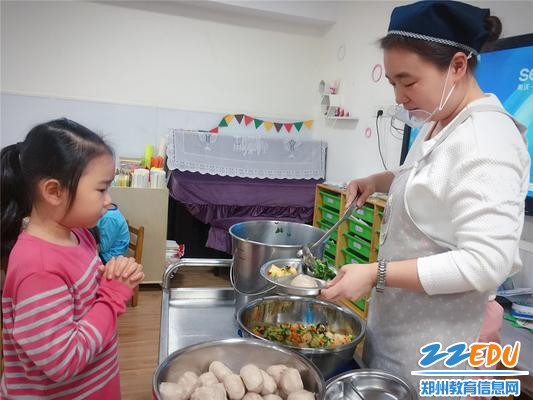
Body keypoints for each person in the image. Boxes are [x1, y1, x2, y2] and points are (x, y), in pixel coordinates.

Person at [321, 0, 530, 392]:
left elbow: (486, 263)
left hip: (438, 353)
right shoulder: (440, 122)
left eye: (409, 81)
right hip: (398, 338)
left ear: (456, 66)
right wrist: (377, 180)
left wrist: (375, 273)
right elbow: (426, 178)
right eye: (393, 84)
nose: (400, 97)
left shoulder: (488, 141)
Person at [0, 119, 145, 399]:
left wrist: (111, 277)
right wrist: (114, 295)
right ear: (54, 191)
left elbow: (84, 299)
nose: (108, 200)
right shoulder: (38, 268)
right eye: (101, 189)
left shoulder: (79, 235)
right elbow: (63, 362)